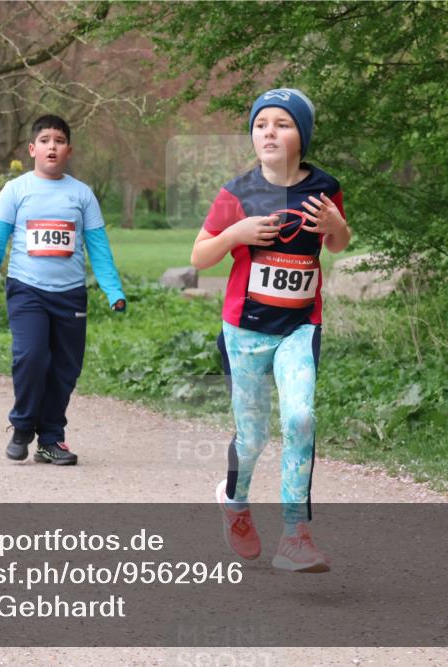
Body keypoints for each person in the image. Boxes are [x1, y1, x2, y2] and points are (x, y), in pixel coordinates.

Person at [191, 88, 351, 573]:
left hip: (300, 326)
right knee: (254, 434)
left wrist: (337, 223)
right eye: (261, 125)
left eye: (282, 124)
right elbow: (200, 257)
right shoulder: (237, 192)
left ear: (301, 134)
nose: (269, 132)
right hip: (245, 331)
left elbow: (338, 244)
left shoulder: (324, 186)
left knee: (301, 418)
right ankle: (235, 502)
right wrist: (234, 235)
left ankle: (295, 535)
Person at [0, 114, 126, 467]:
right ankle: (23, 425)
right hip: (27, 290)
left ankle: (51, 438)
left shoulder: (81, 194)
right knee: (30, 357)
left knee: (65, 368)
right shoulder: (16, 190)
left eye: (59, 140)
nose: (52, 146)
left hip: (71, 293)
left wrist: (112, 289)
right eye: (45, 140)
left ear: (69, 150)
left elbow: (98, 247)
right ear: (32, 149)